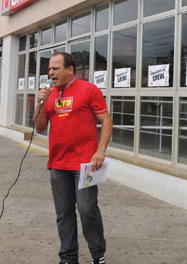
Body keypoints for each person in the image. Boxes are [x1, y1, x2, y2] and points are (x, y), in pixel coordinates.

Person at [34, 52, 112, 264]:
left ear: (70, 69)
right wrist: (39, 103)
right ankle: (68, 257)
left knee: (87, 210)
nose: (50, 73)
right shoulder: (49, 94)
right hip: (58, 164)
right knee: (64, 213)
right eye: (49, 69)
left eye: (55, 68)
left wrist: (101, 150)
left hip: (85, 163)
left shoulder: (88, 89)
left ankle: (98, 254)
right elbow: (39, 128)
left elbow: (106, 121)